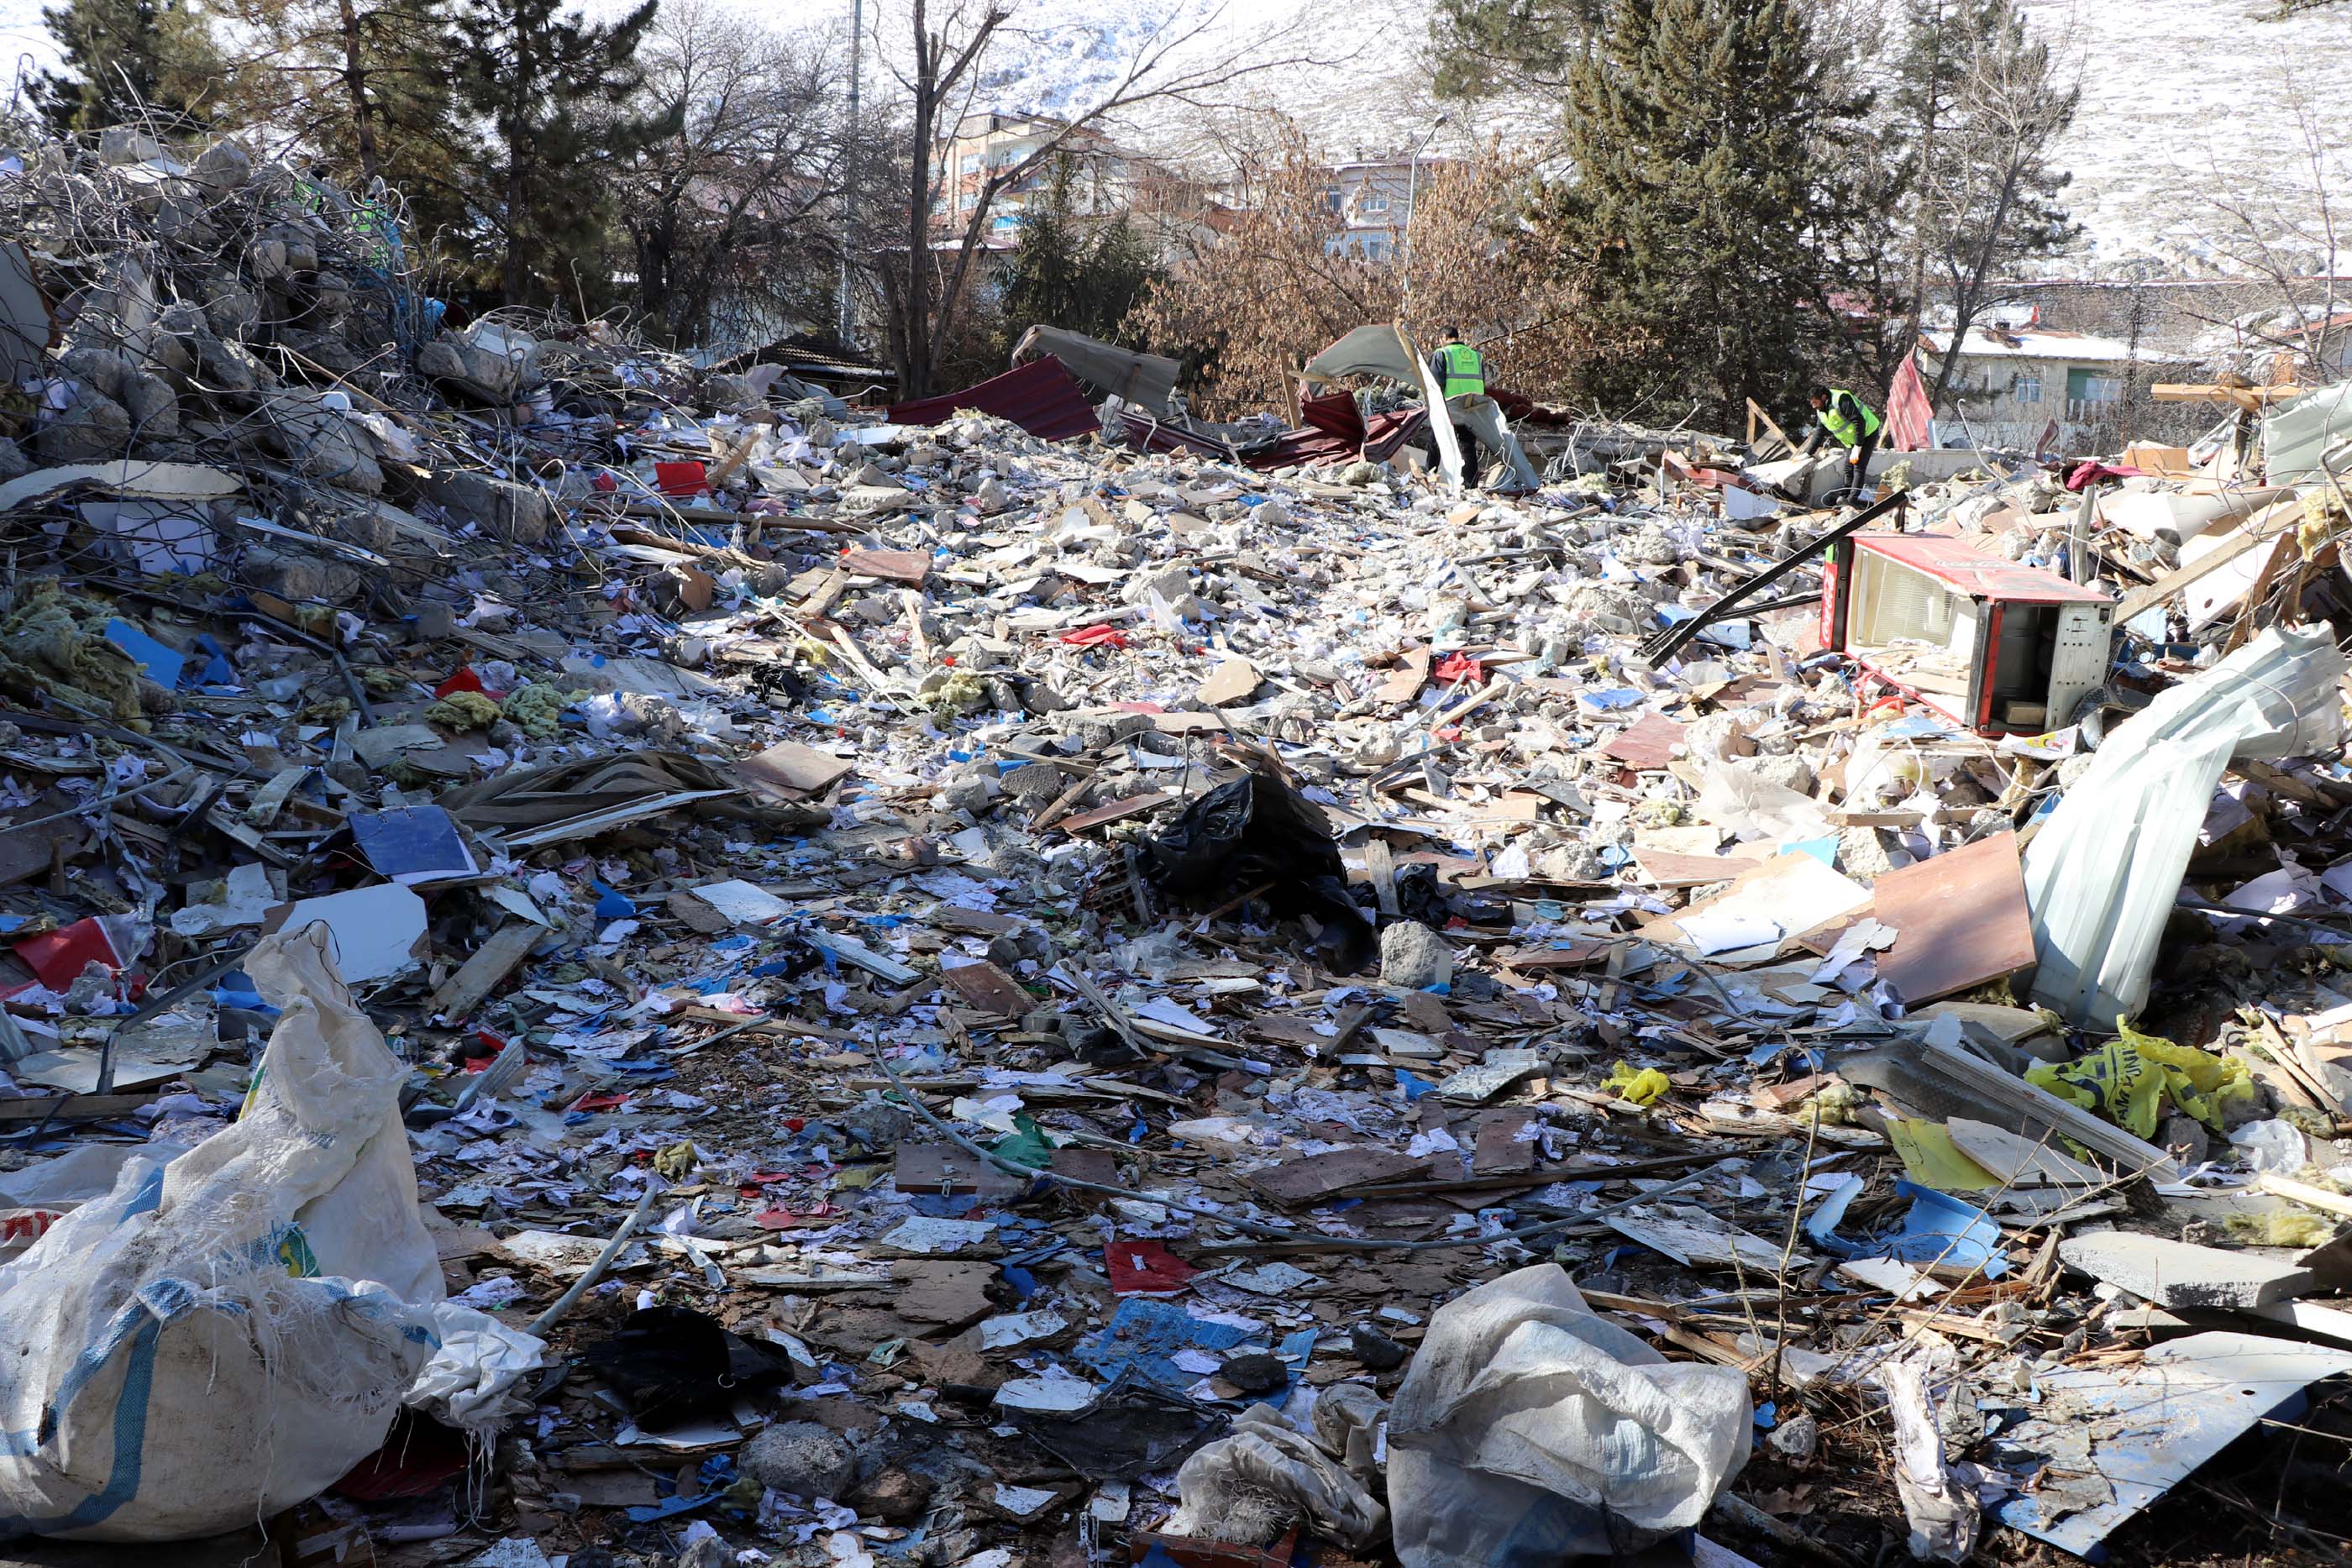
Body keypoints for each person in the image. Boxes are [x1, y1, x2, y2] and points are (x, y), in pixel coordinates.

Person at [1425, 326, 1488, 487]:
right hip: (1472, 406)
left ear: (1444, 337)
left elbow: (1435, 384)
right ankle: (1471, 485)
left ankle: (1429, 479)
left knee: (1436, 442)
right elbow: (1481, 381)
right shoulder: (1476, 356)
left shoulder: (1443, 353)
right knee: (1468, 446)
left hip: (1449, 404)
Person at [1796, 384, 1883, 500]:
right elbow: (1819, 432)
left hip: (1867, 433)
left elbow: (1859, 421)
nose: (1813, 406)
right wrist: (1808, 453)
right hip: (1852, 440)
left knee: (1858, 466)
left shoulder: (1841, 400)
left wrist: (1858, 446)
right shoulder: (1821, 410)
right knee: (1848, 467)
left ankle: (1853, 499)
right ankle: (1845, 496)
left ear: (1823, 397)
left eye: (1815, 402)